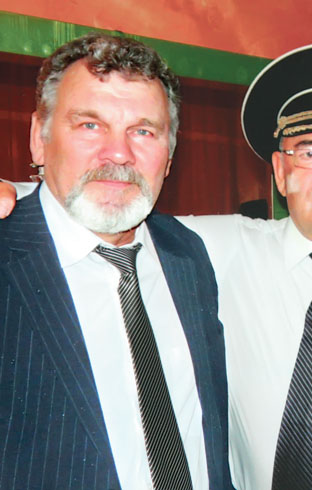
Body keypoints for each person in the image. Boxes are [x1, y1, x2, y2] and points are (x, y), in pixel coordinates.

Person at [1, 43, 312, 489]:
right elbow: (94, 201)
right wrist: (16, 195)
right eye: (308, 153)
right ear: (280, 171)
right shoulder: (222, 246)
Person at [0, 33, 232, 490]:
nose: (119, 153)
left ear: (169, 156)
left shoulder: (187, 253)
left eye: (143, 131)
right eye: (90, 125)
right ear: (38, 139)